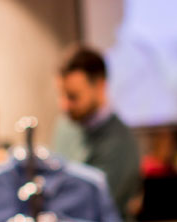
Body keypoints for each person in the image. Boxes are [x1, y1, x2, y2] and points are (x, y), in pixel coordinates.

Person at [52, 47, 140, 221]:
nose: (64, 105)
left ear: (100, 86)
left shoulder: (121, 144)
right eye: (61, 95)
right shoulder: (66, 126)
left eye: (72, 96)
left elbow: (90, 207)